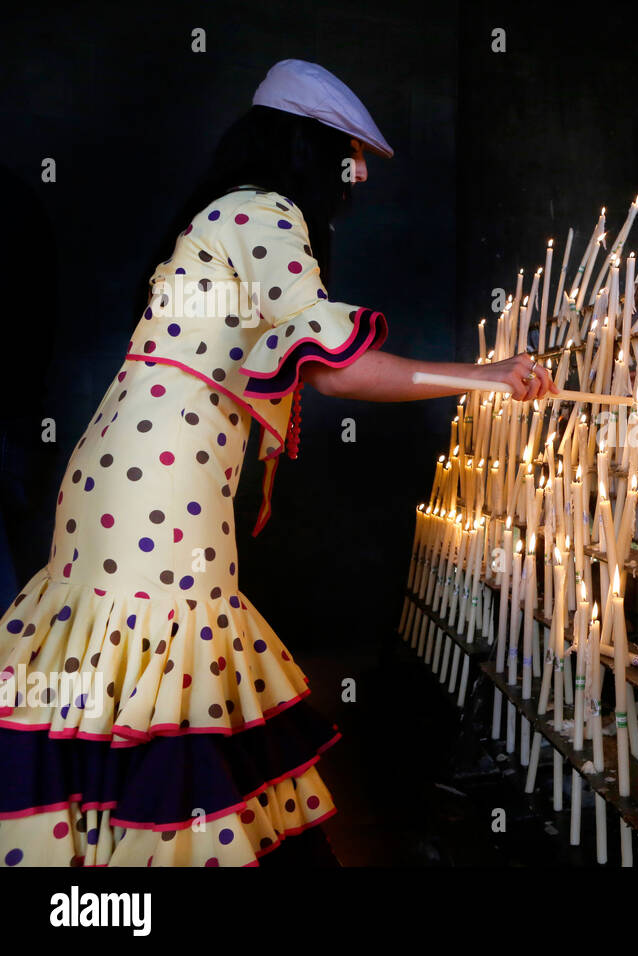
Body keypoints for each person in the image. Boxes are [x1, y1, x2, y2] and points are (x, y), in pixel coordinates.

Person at [0, 59, 555, 868]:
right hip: (158, 479)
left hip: (129, 474)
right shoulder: (265, 212)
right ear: (307, 146)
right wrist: (489, 376)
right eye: (352, 152)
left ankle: (93, 863)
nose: (360, 172)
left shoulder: (225, 215)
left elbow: (252, 361)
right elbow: (331, 367)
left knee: (115, 666)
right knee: (162, 660)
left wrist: (254, 479)